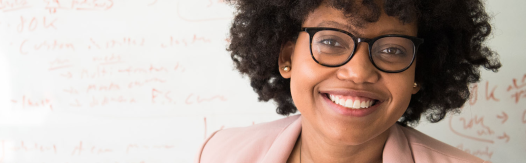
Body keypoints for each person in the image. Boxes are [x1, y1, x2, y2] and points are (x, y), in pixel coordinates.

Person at [196, 0, 501, 162]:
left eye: (392, 50)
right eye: (331, 42)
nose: (358, 72)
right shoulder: (219, 154)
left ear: (418, 73)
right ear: (286, 57)